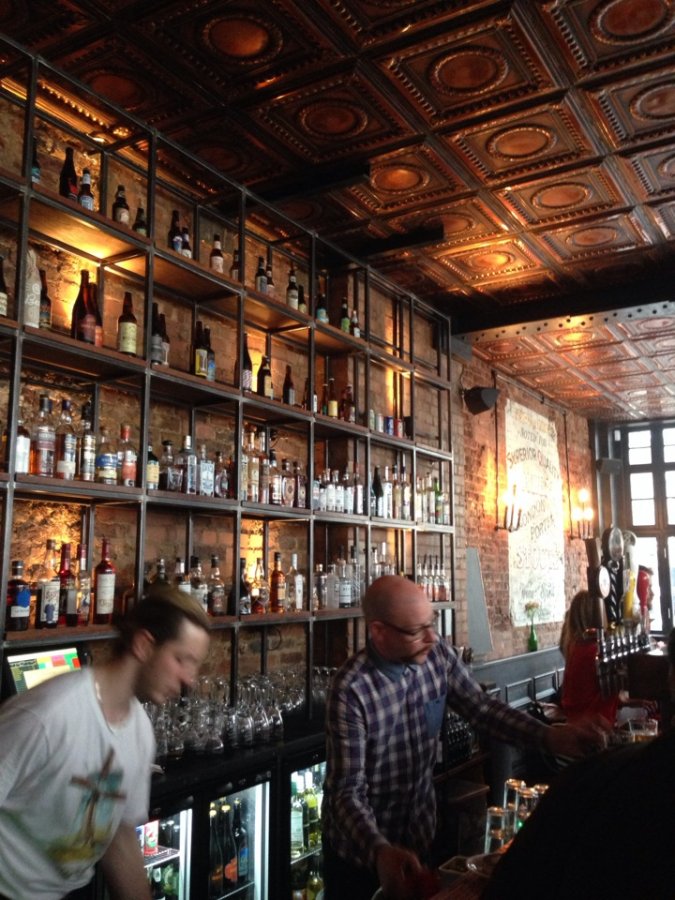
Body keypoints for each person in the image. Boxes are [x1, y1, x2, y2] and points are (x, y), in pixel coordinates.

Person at [322, 576, 609, 900]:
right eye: (417, 631)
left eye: (431, 623)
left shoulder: (437, 656)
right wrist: (379, 851)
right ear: (378, 632)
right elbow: (346, 791)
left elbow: (483, 709)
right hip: (361, 858)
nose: (432, 638)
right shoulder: (351, 689)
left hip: (419, 838)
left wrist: (551, 737)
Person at [0, 583, 211, 900]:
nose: (189, 680)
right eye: (182, 659)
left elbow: (119, 837)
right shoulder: (48, 715)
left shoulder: (139, 730)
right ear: (143, 645)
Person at [483, 627, 675, 900]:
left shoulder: (591, 787)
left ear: (670, 676)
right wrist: (552, 736)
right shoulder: (590, 651)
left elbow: (512, 884)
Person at [559, 590, 654, 726]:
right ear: (596, 615)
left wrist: (633, 701)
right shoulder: (594, 651)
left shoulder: (575, 647)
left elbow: (597, 694)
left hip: (577, 725)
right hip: (593, 730)